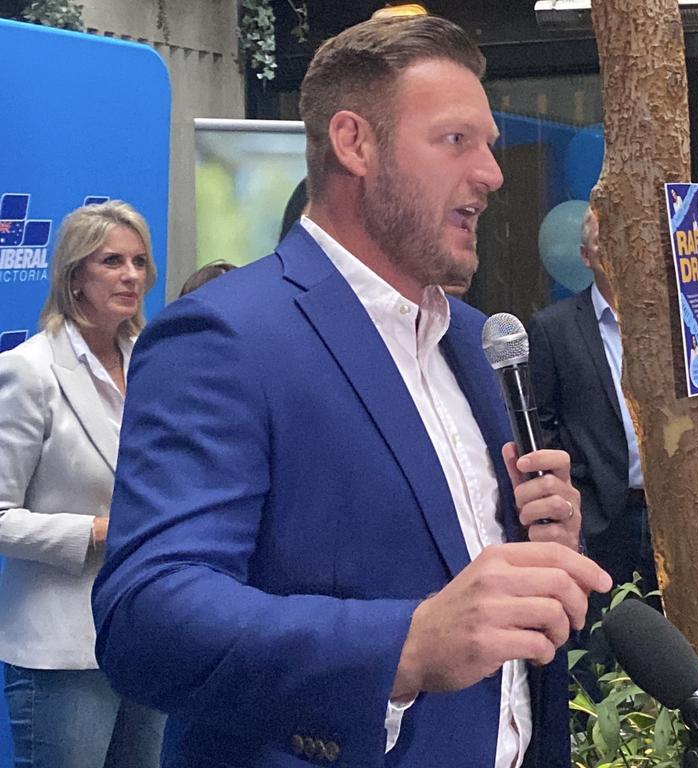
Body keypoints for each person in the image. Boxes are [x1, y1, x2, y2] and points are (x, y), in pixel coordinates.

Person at [92, 15, 610, 768]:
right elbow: (148, 617)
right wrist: (403, 645)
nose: (493, 174)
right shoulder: (225, 337)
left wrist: (546, 543)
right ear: (353, 143)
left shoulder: (473, 339)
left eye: (489, 146)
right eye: (455, 140)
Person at [0, 201, 164, 768]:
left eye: (140, 261)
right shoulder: (31, 370)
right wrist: (97, 532)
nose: (131, 275)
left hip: (146, 633)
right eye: (112, 261)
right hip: (60, 650)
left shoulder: (157, 363)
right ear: (74, 277)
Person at [528, 206, 657, 606]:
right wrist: (573, 497)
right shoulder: (554, 328)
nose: (617, 251)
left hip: (665, 513)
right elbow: (542, 423)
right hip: (598, 515)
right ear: (586, 256)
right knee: (599, 642)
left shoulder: (663, 321)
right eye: (606, 242)